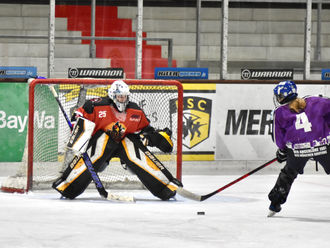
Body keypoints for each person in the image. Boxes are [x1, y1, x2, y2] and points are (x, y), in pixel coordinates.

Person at [52, 80, 178, 201]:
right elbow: (78, 115)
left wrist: (152, 137)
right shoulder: (97, 105)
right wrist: (77, 124)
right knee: (103, 139)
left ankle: (165, 186)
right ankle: (68, 186)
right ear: (112, 96)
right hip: (101, 146)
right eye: (119, 96)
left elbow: (147, 130)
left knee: (131, 142)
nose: (122, 99)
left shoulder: (135, 111)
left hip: (124, 146)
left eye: (125, 96)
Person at [268, 80, 330, 217]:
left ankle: (274, 204)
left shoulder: (279, 112)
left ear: (283, 96)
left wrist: (283, 150)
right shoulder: (315, 101)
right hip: (323, 147)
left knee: (287, 174)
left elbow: (278, 137)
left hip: (297, 151)